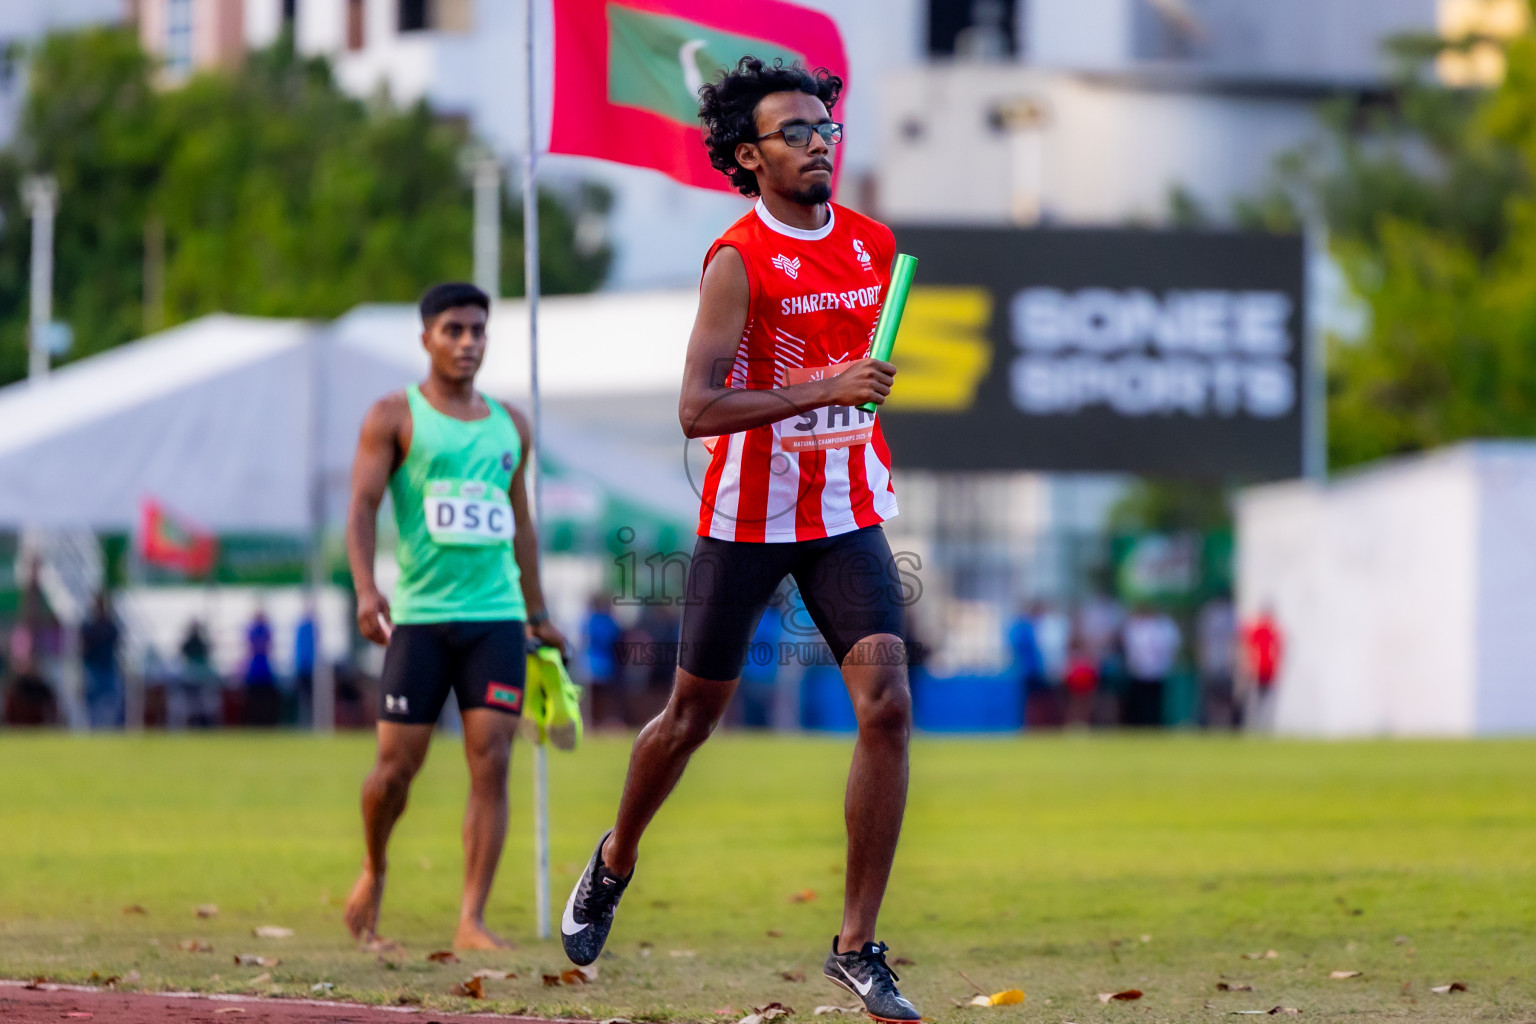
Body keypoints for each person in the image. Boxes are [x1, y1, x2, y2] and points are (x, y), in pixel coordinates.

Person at [560, 58, 921, 1023]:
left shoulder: (876, 246)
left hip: (845, 512)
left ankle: (857, 945)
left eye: (825, 130)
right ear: (749, 155)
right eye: (795, 134)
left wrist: (858, 397)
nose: (817, 145)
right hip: (747, 520)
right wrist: (824, 388)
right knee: (689, 720)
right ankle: (614, 858)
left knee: (885, 704)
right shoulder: (737, 258)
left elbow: (867, 375)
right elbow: (697, 407)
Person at [343, 282, 567, 951]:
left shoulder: (511, 426)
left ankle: (471, 918)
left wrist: (537, 611)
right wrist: (364, 590)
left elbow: (521, 525)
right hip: (419, 619)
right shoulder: (394, 415)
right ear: (426, 339)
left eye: (477, 331)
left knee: (491, 760)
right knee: (393, 771)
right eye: (453, 331)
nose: (468, 343)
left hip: (496, 618)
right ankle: (375, 868)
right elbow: (361, 506)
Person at [1121, 604, 1181, 727]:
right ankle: (1138, 724)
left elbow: (1172, 645)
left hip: (1158, 669)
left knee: (1156, 701)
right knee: (1139, 701)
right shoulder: (1136, 624)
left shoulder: (1165, 625)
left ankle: (1155, 723)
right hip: (1139, 669)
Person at [81, 591, 122, 729]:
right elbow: (84, 646)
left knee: (111, 700)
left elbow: (117, 641)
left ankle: (108, 727)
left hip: (107, 666)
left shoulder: (110, 625)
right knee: (92, 702)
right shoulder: (89, 625)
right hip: (93, 667)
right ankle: (93, 727)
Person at [1240, 605, 1283, 730]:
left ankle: (1264, 727)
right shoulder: (1257, 630)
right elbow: (1249, 649)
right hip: (1257, 672)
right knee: (1255, 702)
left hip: (1269, 672)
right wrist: (1249, 667)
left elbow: (1276, 651)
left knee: (1267, 702)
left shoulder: (1273, 631)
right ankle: (1254, 727)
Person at [243, 605, 281, 727]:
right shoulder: (257, 630)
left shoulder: (261, 630)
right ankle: (258, 722)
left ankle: (263, 722)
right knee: (257, 700)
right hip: (257, 670)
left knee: (263, 700)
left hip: (262, 670)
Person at [294, 602, 317, 726]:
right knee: (303, 698)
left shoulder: (313, 627)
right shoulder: (302, 627)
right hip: (303, 668)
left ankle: (311, 722)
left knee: (310, 698)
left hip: (311, 668)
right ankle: (304, 722)